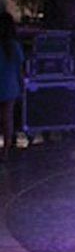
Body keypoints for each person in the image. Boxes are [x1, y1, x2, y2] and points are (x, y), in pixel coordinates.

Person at [0, 13, 25, 161]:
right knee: (7, 118)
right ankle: (5, 151)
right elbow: (19, 69)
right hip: (10, 86)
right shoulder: (14, 46)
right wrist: (22, 86)